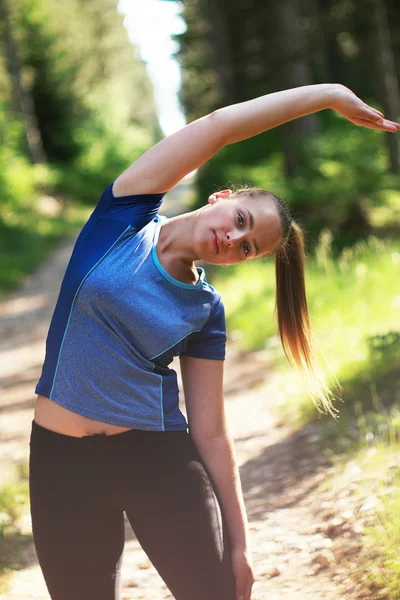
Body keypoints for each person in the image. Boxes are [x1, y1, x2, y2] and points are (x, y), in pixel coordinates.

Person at [30, 83, 399, 600]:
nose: (232, 240)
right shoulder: (122, 218)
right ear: (221, 198)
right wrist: (329, 96)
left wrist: (240, 544)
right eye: (240, 221)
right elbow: (218, 127)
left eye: (247, 248)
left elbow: (212, 432)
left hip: (156, 458)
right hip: (60, 461)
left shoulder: (206, 310)